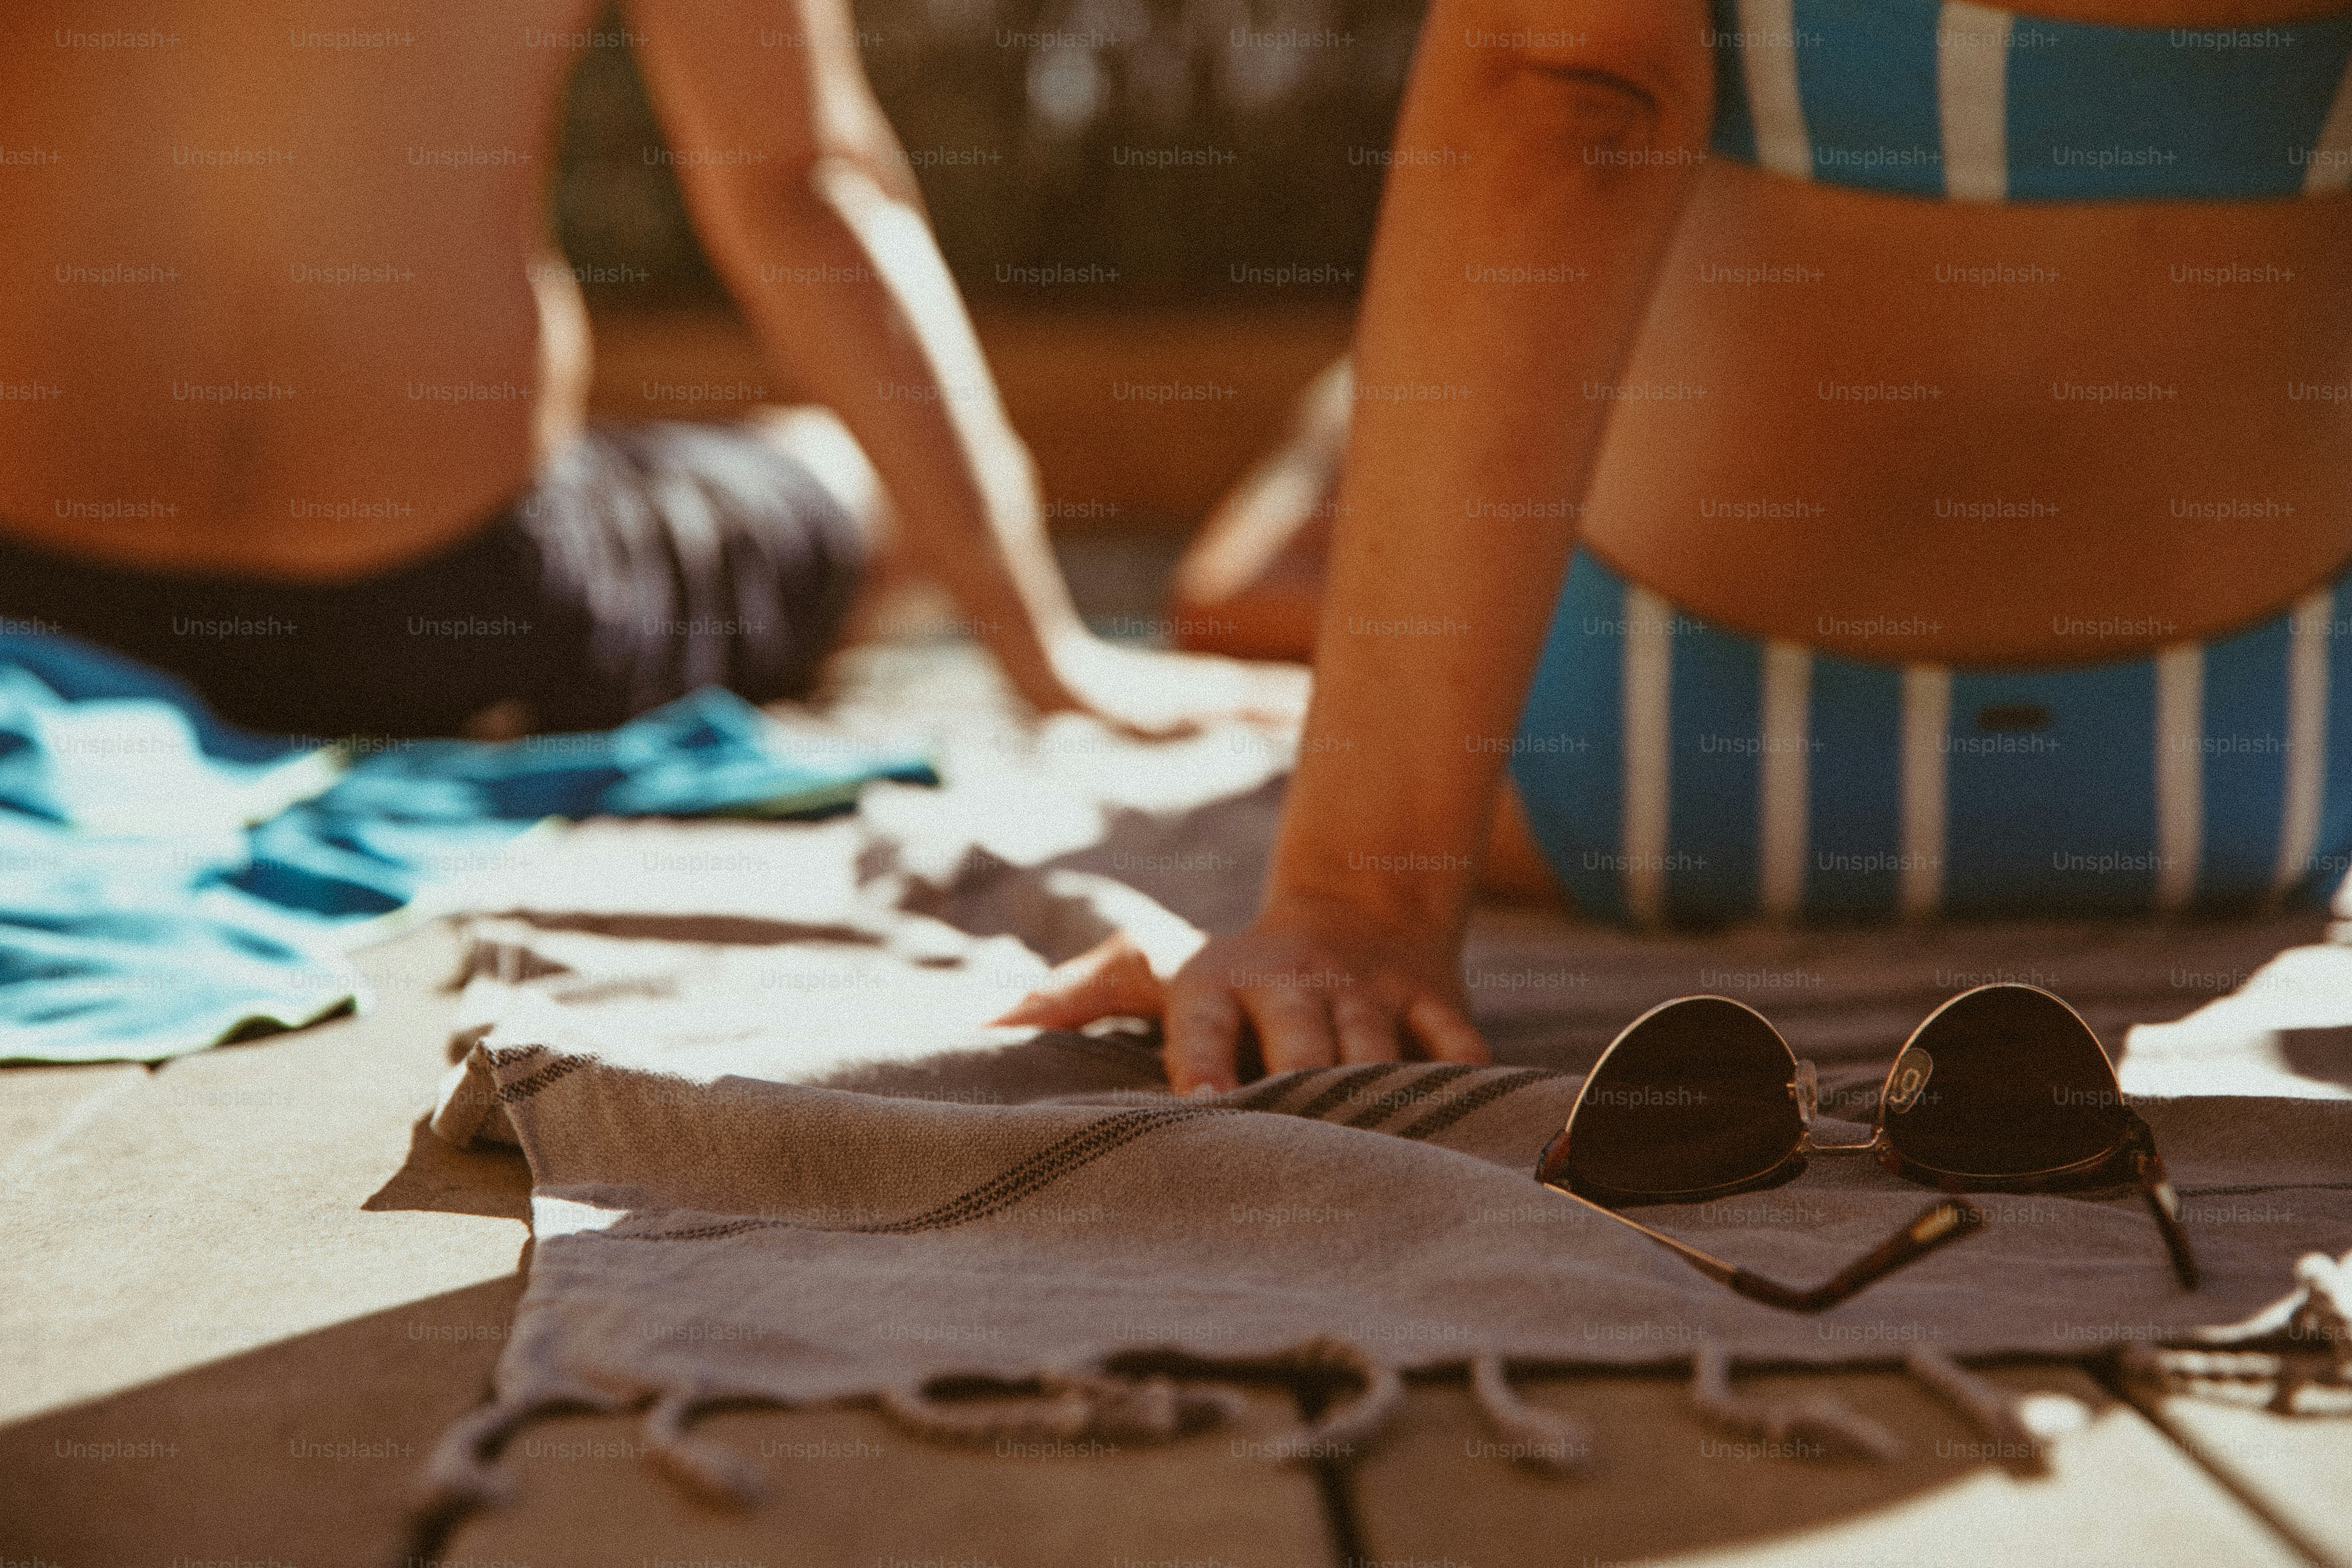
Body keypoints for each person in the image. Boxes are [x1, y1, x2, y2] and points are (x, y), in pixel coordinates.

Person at [1000, 0, 2352, 1089]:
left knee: (1255, 582)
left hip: (1656, 757)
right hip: (2252, 765)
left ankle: (1343, 426)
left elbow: (1560, 94)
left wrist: (1356, 905)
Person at [0, 0, 1303, 742]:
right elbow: (803, 187)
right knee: (858, 476)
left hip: (38, 598)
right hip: (437, 612)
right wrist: (1047, 650)